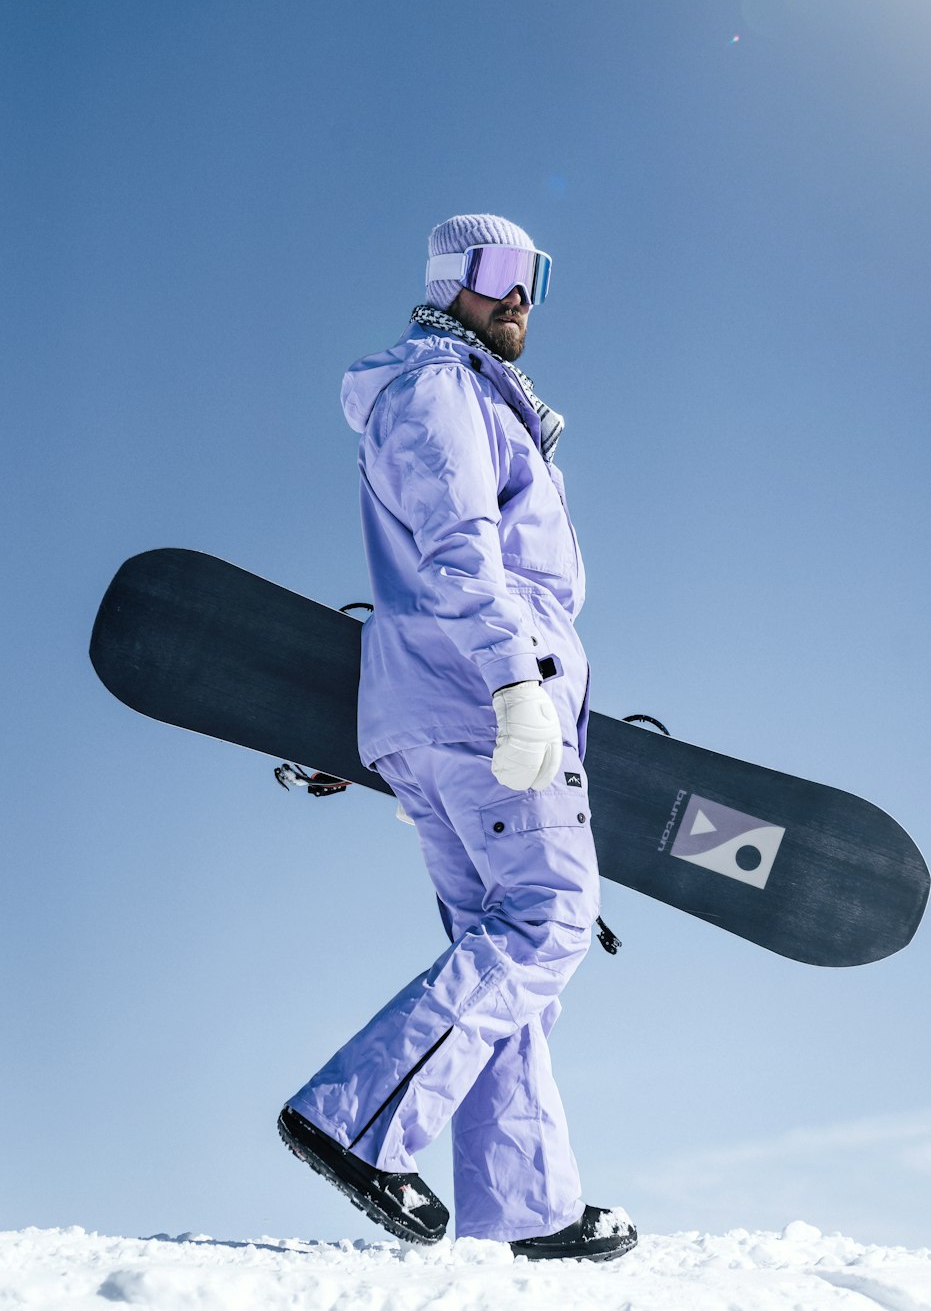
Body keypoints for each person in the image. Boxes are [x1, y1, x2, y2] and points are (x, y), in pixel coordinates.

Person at [278, 213, 636, 1262]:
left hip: (445, 710)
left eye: (535, 275)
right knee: (550, 918)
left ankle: (523, 1205)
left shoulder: (470, 397)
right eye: (498, 272)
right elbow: (458, 554)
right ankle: (352, 1117)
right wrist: (517, 690)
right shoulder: (441, 390)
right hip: (484, 701)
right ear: (451, 278)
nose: (519, 293)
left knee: (500, 950)